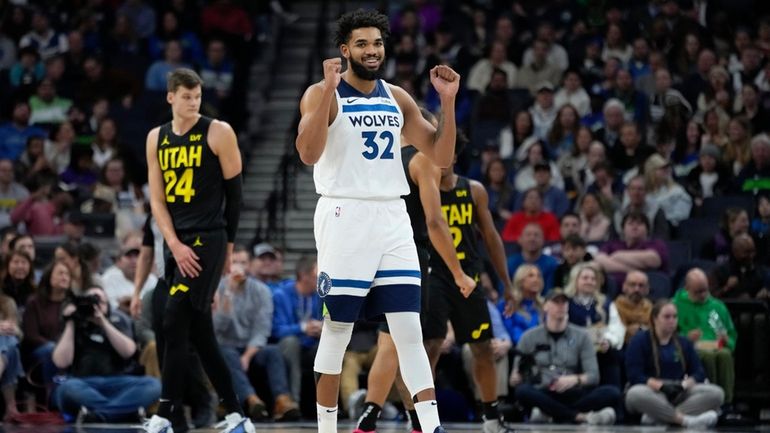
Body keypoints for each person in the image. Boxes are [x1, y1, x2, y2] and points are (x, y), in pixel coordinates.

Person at [295, 9, 460, 433]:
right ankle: (327, 428)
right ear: (345, 49)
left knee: (409, 330)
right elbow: (308, 153)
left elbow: (441, 158)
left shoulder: (398, 97)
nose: (372, 51)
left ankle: (430, 425)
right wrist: (330, 90)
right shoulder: (320, 92)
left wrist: (447, 102)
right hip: (344, 212)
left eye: (378, 43)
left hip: (392, 215)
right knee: (337, 330)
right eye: (363, 44)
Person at [142, 68, 253, 433]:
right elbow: (157, 201)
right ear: (171, 97)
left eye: (198, 96)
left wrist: (229, 251)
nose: (193, 102)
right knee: (200, 335)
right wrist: (172, 244)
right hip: (178, 243)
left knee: (173, 318)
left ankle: (165, 413)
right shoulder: (155, 138)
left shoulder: (218, 131)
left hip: (209, 239)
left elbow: (235, 197)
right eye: (186, 96)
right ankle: (237, 415)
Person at [353, 110, 476, 433]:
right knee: (408, 343)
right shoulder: (423, 160)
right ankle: (422, 421)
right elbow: (435, 222)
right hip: (409, 255)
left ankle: (372, 417)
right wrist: (458, 271)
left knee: (389, 341)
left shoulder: (380, 159)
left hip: (376, 254)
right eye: (434, 131)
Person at [422, 135, 512, 433]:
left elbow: (491, 238)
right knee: (431, 346)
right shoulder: (423, 188)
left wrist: (507, 284)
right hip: (434, 273)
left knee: (483, 347)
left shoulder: (474, 190)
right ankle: (423, 419)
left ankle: (490, 418)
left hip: (468, 275)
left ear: (454, 157)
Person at [213, 246, 301, 422]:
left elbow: (262, 329)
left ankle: (282, 401)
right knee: (226, 353)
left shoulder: (262, 291)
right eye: (234, 262)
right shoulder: (217, 288)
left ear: (251, 265)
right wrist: (229, 293)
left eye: (243, 262)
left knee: (273, 352)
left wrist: (247, 355)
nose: (238, 267)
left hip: (252, 348)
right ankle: (251, 400)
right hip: (226, 346)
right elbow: (217, 328)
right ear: (227, 265)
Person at [51, 285, 160, 422]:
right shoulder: (73, 325)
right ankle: (123, 412)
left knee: (153, 384)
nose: (94, 306)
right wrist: (71, 322)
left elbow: (129, 352)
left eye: (99, 301)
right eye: (90, 302)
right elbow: (61, 362)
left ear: (107, 305)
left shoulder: (118, 321)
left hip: (119, 383)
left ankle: (100, 415)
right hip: (83, 383)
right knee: (65, 388)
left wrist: (103, 322)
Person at [510, 289, 620, 425]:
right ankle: (579, 417)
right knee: (523, 391)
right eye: (556, 302)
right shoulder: (529, 337)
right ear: (545, 306)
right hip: (542, 391)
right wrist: (516, 377)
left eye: (564, 302)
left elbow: (593, 376)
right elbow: (516, 376)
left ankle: (550, 414)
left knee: (612, 392)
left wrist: (575, 379)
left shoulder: (582, 336)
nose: (561, 306)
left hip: (572, 392)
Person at [624, 300, 723, 428]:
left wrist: (684, 385)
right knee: (634, 394)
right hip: (652, 391)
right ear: (655, 319)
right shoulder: (640, 340)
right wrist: (661, 386)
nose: (672, 320)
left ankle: (658, 417)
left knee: (716, 393)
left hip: (678, 390)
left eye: (675, 317)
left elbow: (699, 372)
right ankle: (685, 421)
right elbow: (634, 375)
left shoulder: (683, 342)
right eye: (667, 317)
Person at [673, 269, 737, 406]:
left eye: (705, 290)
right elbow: (669, 334)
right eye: (698, 292)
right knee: (707, 356)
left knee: (725, 355)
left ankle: (727, 402)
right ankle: (710, 400)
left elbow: (731, 334)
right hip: (691, 349)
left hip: (715, 346)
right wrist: (686, 337)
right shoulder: (676, 305)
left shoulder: (717, 306)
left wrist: (727, 340)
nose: (703, 295)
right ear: (687, 288)